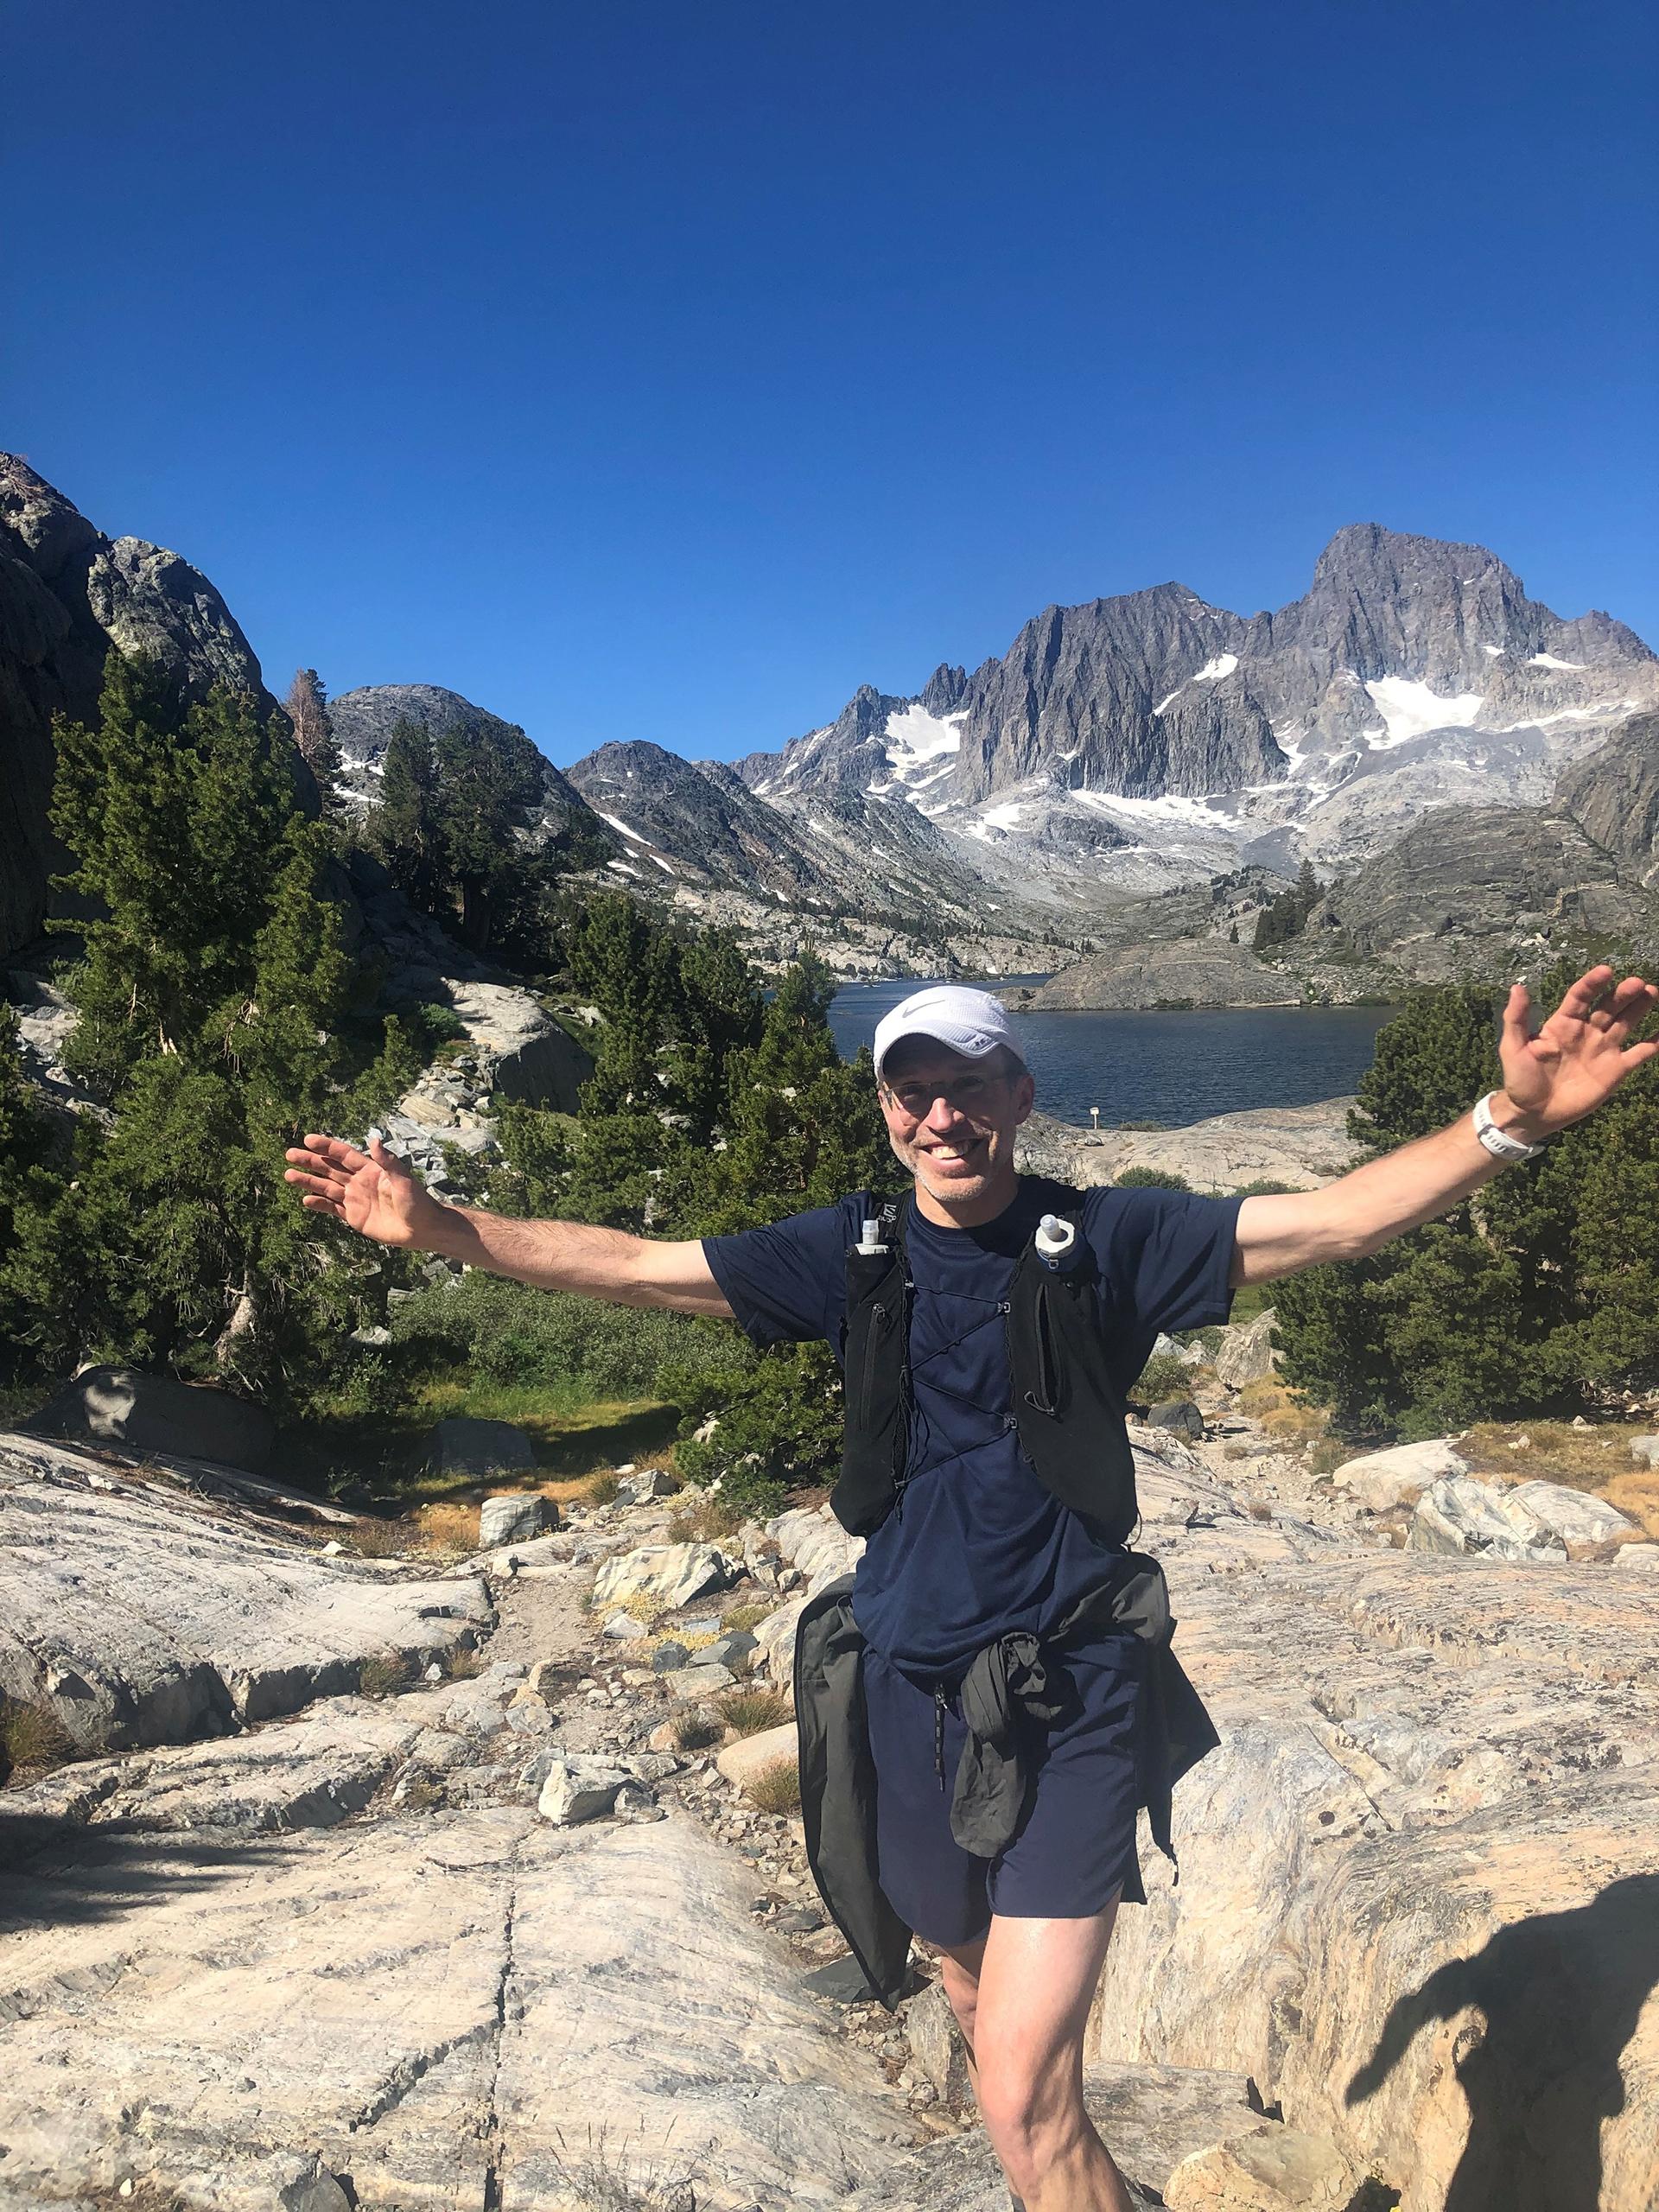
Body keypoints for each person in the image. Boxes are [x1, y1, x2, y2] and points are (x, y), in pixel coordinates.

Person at [284, 963, 1656, 2212]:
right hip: (901, 1678)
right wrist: (441, 1226)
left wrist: (1512, 1121)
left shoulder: (1104, 1240)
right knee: (957, 1974)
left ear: (1020, 1095)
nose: (942, 1117)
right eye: (914, 1091)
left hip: (1069, 1690)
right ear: (889, 1109)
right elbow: (639, 1268)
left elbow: (1339, 1223)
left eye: (968, 1087)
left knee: (1018, 2088)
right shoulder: (853, 1250)